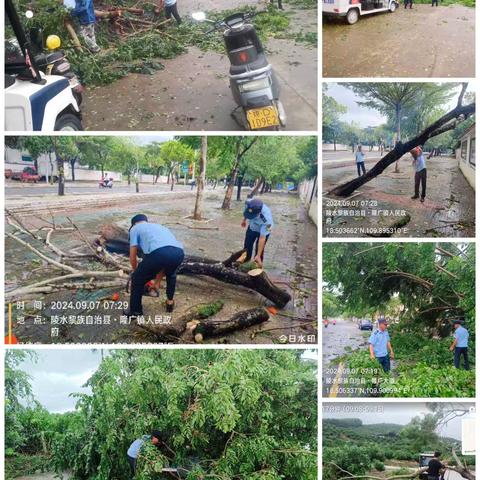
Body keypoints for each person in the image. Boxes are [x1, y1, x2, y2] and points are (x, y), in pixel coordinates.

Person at [125, 214, 185, 317]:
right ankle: (170, 303)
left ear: (134, 223)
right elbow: (162, 265)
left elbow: (132, 256)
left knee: (137, 279)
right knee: (171, 275)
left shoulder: (134, 228)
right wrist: (156, 283)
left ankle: (135, 312)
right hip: (179, 252)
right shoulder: (159, 226)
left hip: (159, 253)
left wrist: (136, 272)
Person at [241, 198, 274, 267]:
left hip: (264, 230)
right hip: (252, 227)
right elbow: (246, 211)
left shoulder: (267, 220)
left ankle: (257, 263)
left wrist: (258, 255)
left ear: (259, 213)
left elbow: (262, 238)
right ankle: (245, 263)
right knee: (247, 245)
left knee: (259, 249)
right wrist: (244, 220)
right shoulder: (249, 203)